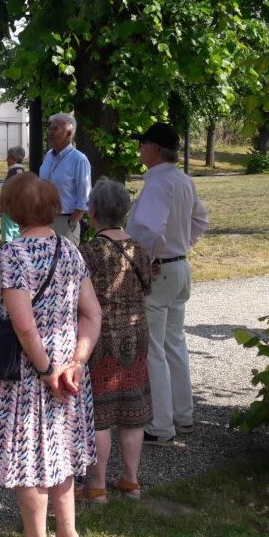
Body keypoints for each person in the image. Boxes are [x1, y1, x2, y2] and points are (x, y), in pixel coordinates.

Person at [0, 172, 102, 537]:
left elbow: (23, 324)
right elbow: (92, 313)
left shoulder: (13, 254)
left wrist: (47, 369)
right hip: (69, 371)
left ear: (12, 210)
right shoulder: (70, 251)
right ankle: (68, 535)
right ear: (54, 209)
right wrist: (76, 363)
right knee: (62, 449)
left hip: (29, 373)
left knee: (29, 458)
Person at [125, 122, 208, 447]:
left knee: (154, 348)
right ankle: (182, 415)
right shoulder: (182, 179)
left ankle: (161, 425)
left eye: (142, 143)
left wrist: (142, 262)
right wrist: (179, 246)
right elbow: (200, 220)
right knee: (174, 341)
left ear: (154, 149)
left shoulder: (159, 183)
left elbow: (148, 229)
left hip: (159, 272)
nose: (139, 149)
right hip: (178, 267)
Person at [78, 177, 152, 502]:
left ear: (93, 213)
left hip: (100, 336)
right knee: (132, 408)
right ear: (124, 211)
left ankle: (96, 487)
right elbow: (146, 289)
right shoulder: (140, 249)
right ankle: (131, 481)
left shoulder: (89, 252)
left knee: (100, 414)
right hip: (136, 333)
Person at [39, 113, 91, 244]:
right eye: (49, 129)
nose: (50, 133)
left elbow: (84, 196)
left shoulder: (79, 159)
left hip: (65, 221)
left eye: (55, 129)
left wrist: (73, 222)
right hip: (44, 219)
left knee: (66, 263)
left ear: (68, 133)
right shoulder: (48, 157)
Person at [0, 145, 26, 242]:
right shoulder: (22, 172)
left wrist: (1, 205)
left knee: (7, 230)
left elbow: (7, 190)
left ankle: (7, 253)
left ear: (16, 159)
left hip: (9, 206)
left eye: (9, 157)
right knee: (16, 230)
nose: (6, 160)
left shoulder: (13, 172)